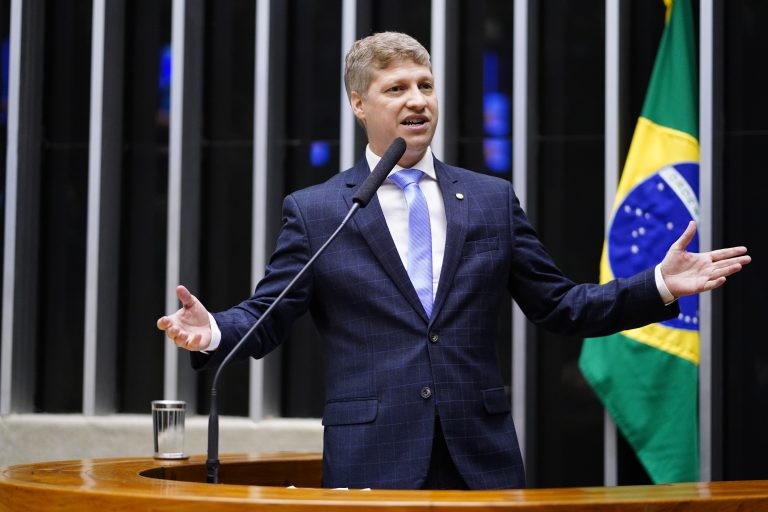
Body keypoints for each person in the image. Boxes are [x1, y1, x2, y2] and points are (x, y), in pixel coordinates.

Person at [157, 32, 750, 490]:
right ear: (360, 104)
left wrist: (658, 286)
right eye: (396, 89)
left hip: (480, 456)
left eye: (425, 85)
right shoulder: (319, 212)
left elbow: (561, 306)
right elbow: (270, 314)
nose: (417, 101)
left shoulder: (490, 199)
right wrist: (212, 331)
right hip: (373, 455)